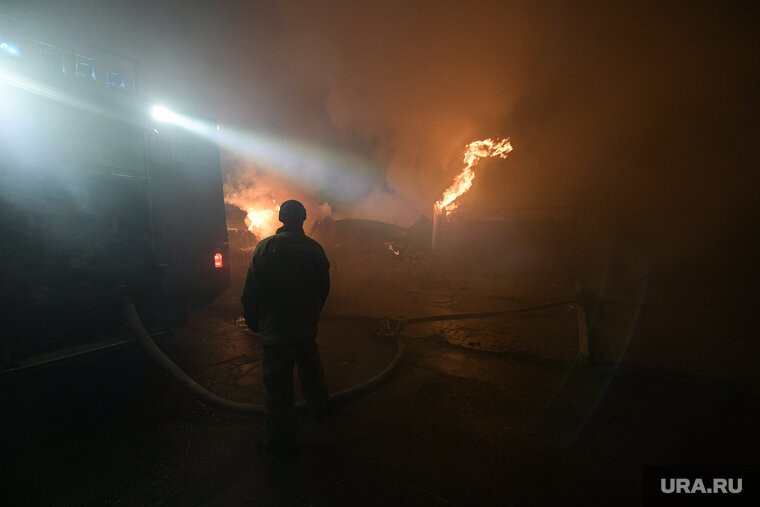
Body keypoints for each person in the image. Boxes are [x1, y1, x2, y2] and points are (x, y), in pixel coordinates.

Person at [240, 200, 331, 451]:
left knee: (277, 385)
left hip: (276, 331)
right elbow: (324, 288)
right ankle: (323, 421)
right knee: (313, 377)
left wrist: (253, 319)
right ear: (304, 219)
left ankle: (280, 437)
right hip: (305, 330)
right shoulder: (315, 249)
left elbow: (251, 290)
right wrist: (312, 314)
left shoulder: (266, 248)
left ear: (281, 218)